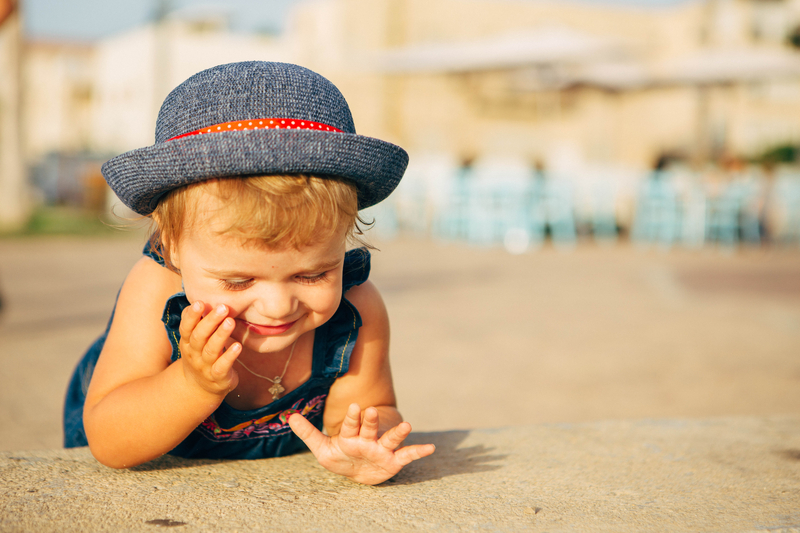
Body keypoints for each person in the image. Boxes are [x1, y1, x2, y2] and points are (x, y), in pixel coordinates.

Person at [63, 61, 435, 485]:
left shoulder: (355, 312)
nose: (277, 306)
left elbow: (371, 408)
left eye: (313, 275)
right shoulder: (156, 289)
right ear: (171, 244)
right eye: (238, 281)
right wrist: (192, 384)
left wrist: (367, 440)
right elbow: (110, 441)